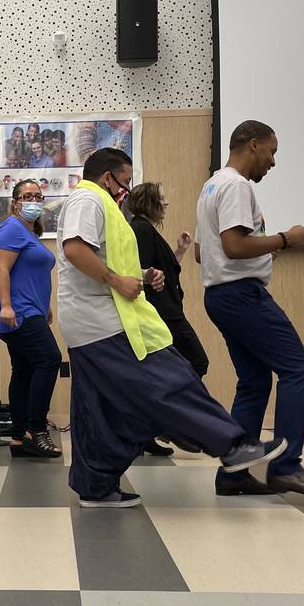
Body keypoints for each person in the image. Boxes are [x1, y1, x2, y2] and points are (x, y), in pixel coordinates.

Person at [56, 147, 286, 507]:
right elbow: (74, 249)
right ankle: (233, 445)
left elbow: (99, 255)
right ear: (107, 177)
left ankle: (95, 485)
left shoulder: (102, 206)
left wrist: (141, 275)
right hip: (104, 322)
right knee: (172, 379)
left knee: (98, 408)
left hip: (90, 323)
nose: (128, 191)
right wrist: (117, 281)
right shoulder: (88, 199)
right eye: (125, 182)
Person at [197, 121, 304, 497]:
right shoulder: (236, 186)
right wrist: (285, 239)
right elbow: (233, 246)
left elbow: (204, 252)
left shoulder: (211, 185)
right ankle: (286, 467)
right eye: (272, 151)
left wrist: (262, 249)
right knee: (298, 369)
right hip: (242, 295)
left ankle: (233, 474)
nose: (273, 161)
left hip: (221, 295)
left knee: (254, 381)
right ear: (252, 146)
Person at [126, 182, 209, 457]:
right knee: (196, 362)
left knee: (160, 374)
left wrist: (180, 251)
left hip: (169, 312)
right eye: (162, 199)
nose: (166, 204)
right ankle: (168, 422)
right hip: (163, 316)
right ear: (150, 202)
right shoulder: (141, 229)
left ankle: (148, 431)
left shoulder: (146, 229)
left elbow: (160, 272)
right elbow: (142, 273)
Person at [0, 180, 62, 458]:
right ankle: (36, 429)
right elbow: (2, 269)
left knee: (24, 370)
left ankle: (19, 437)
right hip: (17, 313)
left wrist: (46, 307)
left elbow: (31, 274)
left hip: (32, 311)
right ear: (15, 201)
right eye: (27, 195)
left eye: (37, 195)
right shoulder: (11, 228)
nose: (33, 199)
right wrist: (6, 306)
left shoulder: (29, 232)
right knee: (50, 359)